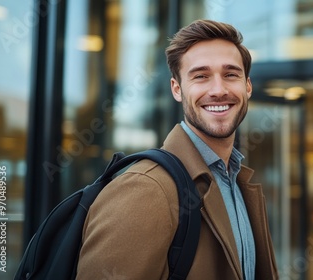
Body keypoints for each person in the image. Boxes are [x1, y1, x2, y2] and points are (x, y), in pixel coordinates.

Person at [76, 19, 278, 279]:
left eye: (230, 74)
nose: (218, 90)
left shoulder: (235, 180)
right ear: (177, 89)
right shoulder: (145, 189)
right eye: (201, 76)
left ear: (247, 86)